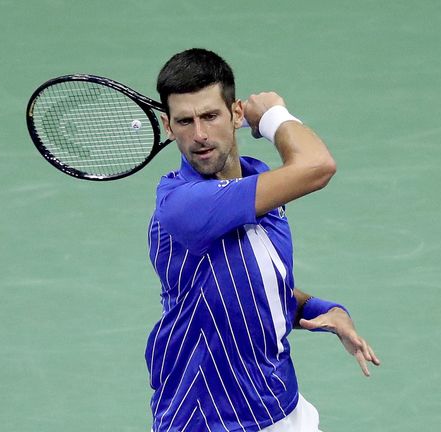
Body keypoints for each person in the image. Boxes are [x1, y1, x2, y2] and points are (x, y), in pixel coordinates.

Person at [145, 48, 380, 432]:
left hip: (281, 405)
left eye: (210, 115)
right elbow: (317, 166)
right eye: (184, 121)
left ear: (235, 114)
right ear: (167, 127)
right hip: (209, 419)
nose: (199, 135)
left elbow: (248, 284)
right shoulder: (182, 205)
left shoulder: (257, 181)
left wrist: (322, 309)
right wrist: (273, 115)